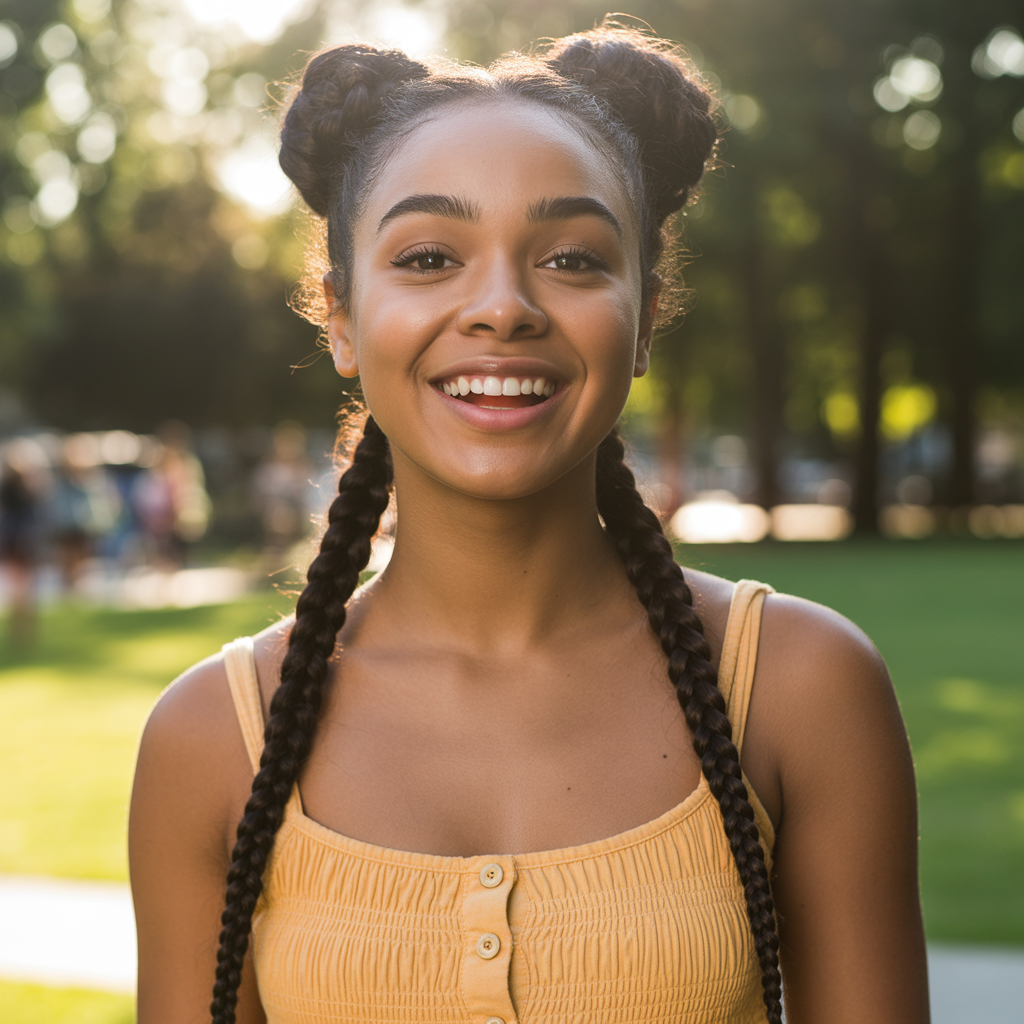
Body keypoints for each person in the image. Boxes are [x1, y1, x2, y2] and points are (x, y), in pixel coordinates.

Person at [129, 23, 929, 1024]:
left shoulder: (798, 691)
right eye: (428, 256)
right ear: (339, 316)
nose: (502, 307)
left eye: (571, 258)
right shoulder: (213, 741)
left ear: (641, 319)